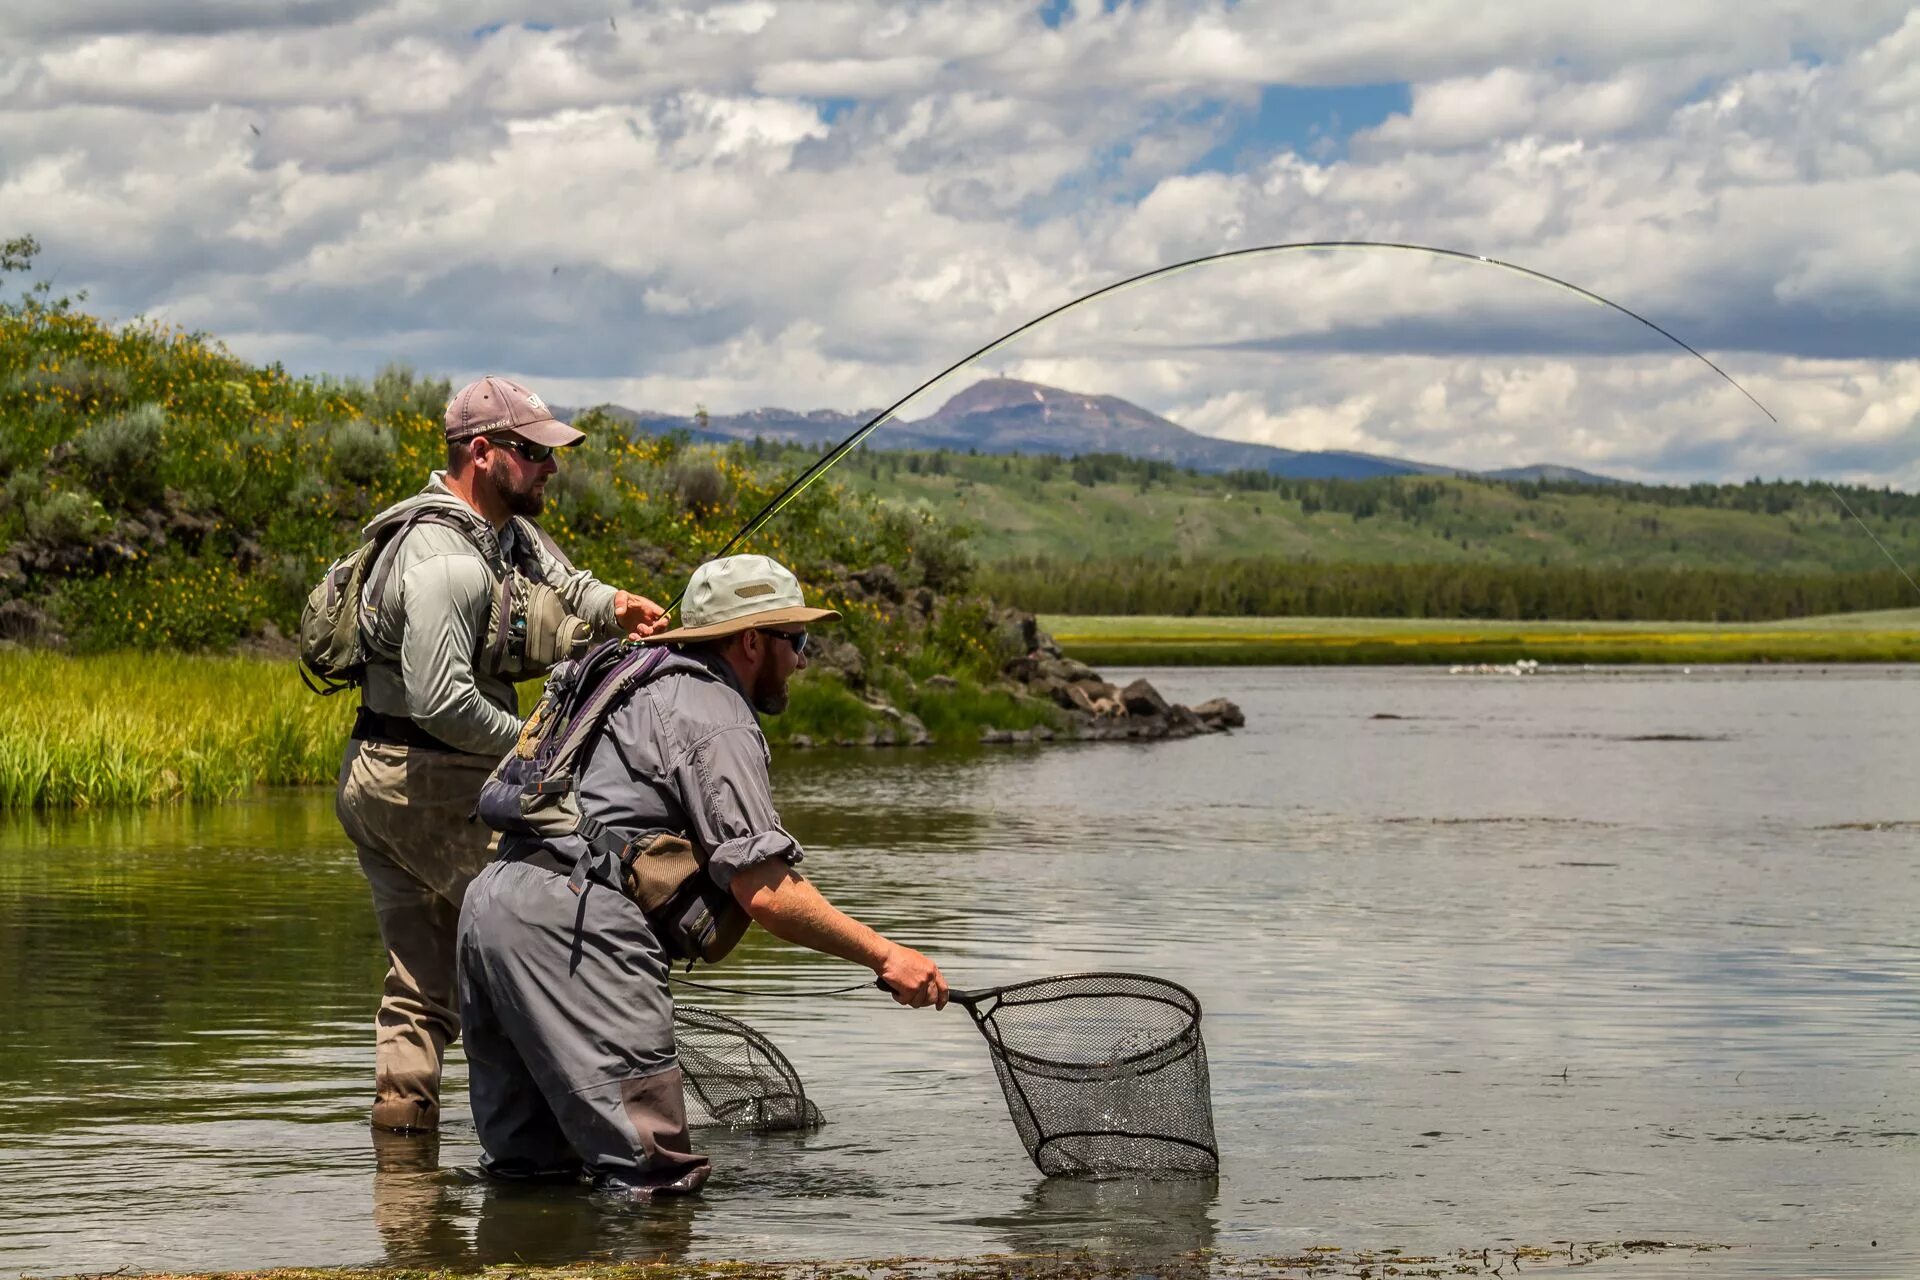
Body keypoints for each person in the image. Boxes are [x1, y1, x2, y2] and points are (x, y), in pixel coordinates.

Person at [455, 553, 949, 1198]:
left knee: (530, 1174)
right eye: (796, 640)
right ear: (751, 641)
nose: (803, 658)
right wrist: (886, 955)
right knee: (651, 1181)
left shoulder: (626, 674)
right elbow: (766, 891)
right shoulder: (712, 707)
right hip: (575, 926)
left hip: (494, 902)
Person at [335, 374, 668, 1133]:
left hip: (383, 775)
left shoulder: (505, 532)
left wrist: (617, 607)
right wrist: (537, 752)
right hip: (418, 779)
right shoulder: (443, 560)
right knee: (549, 925)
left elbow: (567, 582)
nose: (552, 468)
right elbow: (442, 701)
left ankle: (405, 1185)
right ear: (483, 453)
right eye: (535, 454)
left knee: (420, 986)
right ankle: (566, 1142)